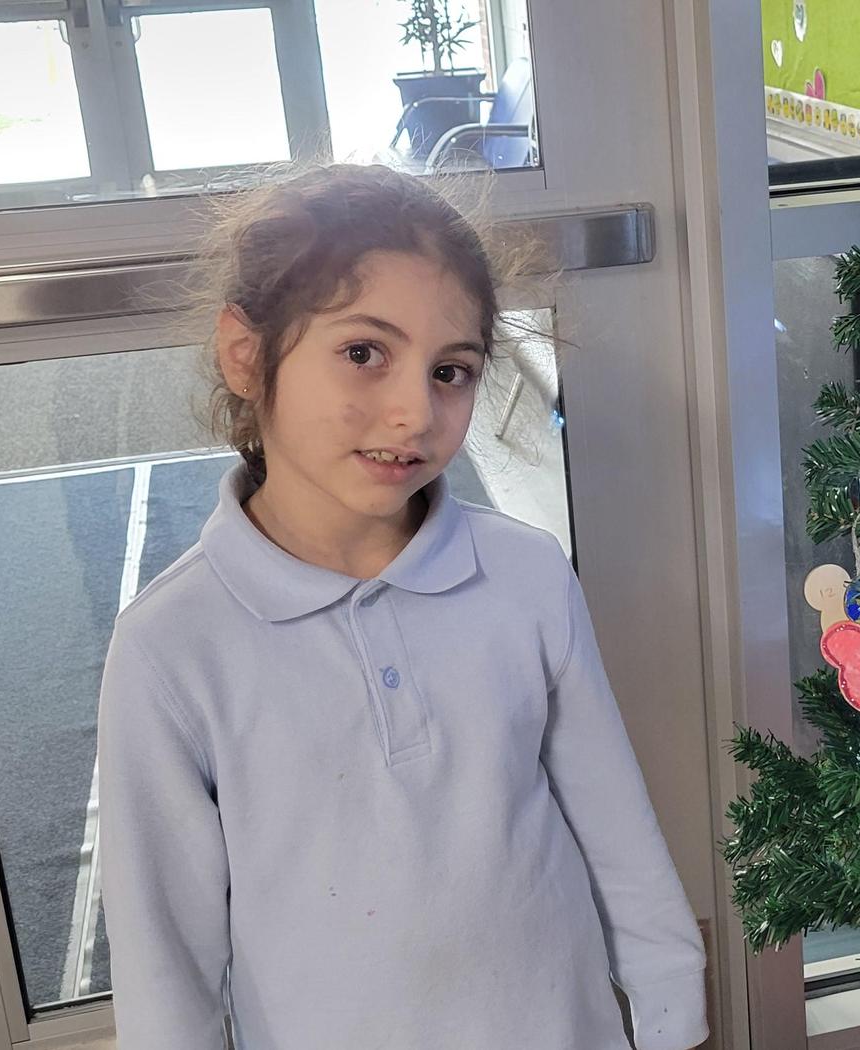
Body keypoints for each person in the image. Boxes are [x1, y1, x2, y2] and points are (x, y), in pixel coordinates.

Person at [97, 164, 707, 1050]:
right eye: (362, 353)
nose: (413, 410)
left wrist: (674, 1021)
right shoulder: (171, 649)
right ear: (245, 355)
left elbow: (619, 836)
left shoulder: (527, 577)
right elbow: (165, 972)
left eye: (451, 370)